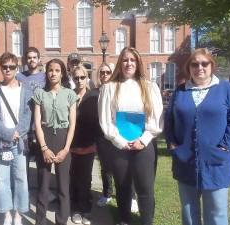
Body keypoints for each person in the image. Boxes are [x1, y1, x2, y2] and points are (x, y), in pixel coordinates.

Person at [164, 48, 230, 225]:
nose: (199, 67)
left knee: (217, 213)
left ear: (211, 66)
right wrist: (172, 144)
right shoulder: (180, 91)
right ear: (189, 67)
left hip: (216, 161)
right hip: (185, 160)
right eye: (194, 64)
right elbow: (168, 120)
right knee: (189, 213)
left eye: (204, 63)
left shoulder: (225, 88)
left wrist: (226, 144)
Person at [98, 47, 163, 225]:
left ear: (138, 63)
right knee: (123, 187)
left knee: (145, 188)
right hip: (120, 147)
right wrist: (120, 142)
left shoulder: (150, 87)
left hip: (143, 144)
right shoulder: (110, 88)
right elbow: (106, 120)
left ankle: (146, 222)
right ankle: (124, 220)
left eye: (133, 60)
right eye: (125, 60)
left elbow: (155, 119)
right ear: (120, 63)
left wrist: (143, 141)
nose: (129, 63)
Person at [0, 52, 32, 225]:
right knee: (2, 180)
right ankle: (6, 214)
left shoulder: (25, 90)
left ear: (16, 68)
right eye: (5, 67)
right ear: (1, 68)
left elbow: (28, 114)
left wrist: (18, 133)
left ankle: (18, 213)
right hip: (0, 142)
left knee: (20, 178)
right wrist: (8, 134)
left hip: (19, 142)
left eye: (11, 66)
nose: (8, 70)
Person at [33, 58, 78, 225]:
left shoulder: (70, 94)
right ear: (46, 72)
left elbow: (73, 124)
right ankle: (41, 221)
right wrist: (44, 148)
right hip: (44, 138)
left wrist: (66, 149)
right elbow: (37, 122)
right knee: (43, 186)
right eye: (50, 70)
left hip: (62, 138)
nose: (53, 73)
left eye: (57, 70)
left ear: (62, 73)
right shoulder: (40, 93)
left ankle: (61, 221)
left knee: (63, 187)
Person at [69, 65, 100, 225]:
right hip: (71, 145)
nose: (79, 80)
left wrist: (96, 142)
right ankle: (75, 209)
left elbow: (99, 121)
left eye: (82, 77)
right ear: (72, 79)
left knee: (86, 179)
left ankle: (85, 207)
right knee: (73, 178)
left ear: (87, 77)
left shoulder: (94, 95)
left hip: (88, 145)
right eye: (76, 78)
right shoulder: (69, 95)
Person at [16, 47, 46, 184]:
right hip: (24, 127)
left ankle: (42, 194)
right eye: (29, 57)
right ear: (25, 60)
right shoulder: (19, 77)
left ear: (39, 59)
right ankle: (24, 194)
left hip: (40, 126)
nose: (32, 60)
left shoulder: (45, 77)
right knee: (23, 163)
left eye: (34, 57)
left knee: (42, 164)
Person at [94, 63, 114, 207]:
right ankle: (107, 194)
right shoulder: (95, 92)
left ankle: (130, 196)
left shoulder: (118, 90)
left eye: (108, 72)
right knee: (105, 166)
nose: (105, 75)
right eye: (102, 72)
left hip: (118, 134)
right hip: (101, 136)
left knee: (124, 166)